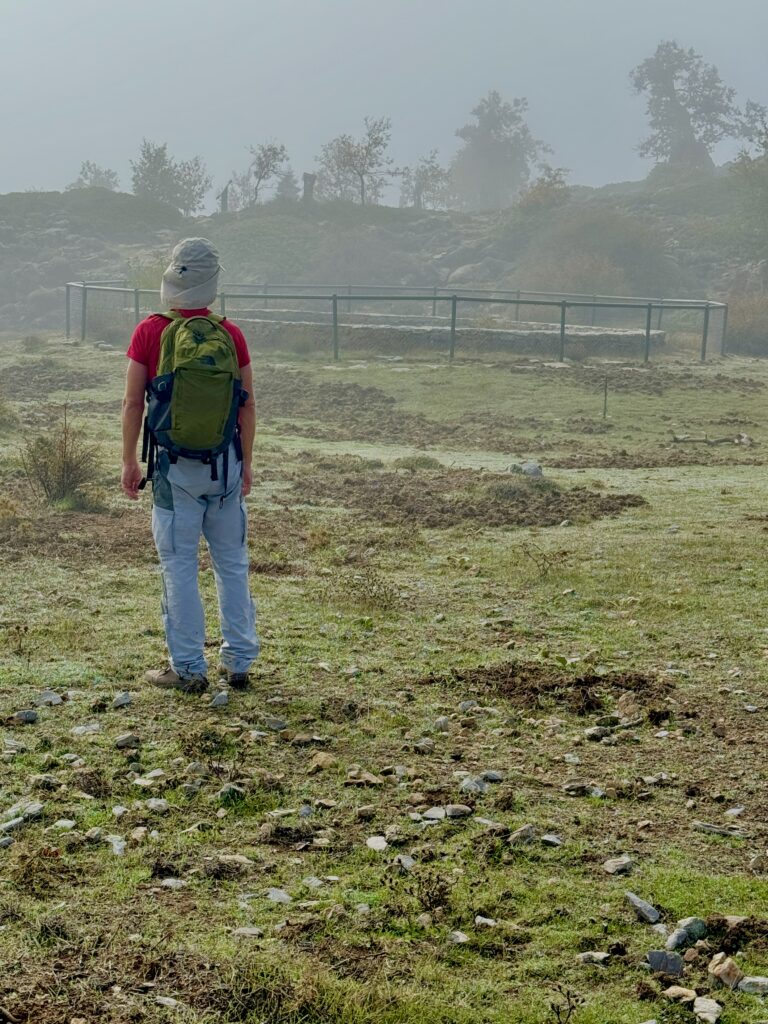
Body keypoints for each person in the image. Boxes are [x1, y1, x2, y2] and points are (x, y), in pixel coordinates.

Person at [120, 238, 259, 694]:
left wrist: (128, 461)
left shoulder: (149, 331)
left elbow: (132, 402)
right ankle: (239, 661)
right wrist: (248, 464)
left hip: (173, 470)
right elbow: (247, 406)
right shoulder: (231, 334)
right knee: (232, 563)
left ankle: (187, 668)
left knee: (178, 565)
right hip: (226, 464)